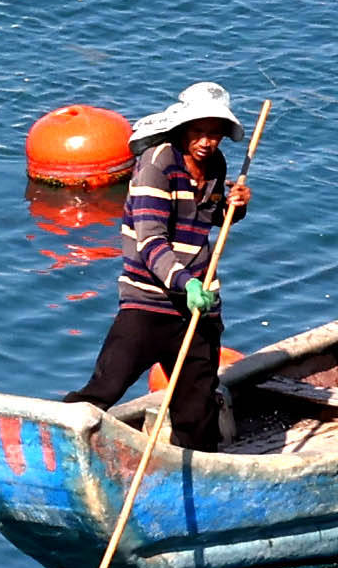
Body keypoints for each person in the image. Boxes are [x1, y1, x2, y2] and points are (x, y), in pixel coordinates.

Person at [77, 81, 243, 448]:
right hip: (149, 300)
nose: (206, 141)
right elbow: (151, 241)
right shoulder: (157, 165)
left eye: (214, 134)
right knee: (106, 387)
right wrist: (187, 283)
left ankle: (201, 479)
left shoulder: (215, 165)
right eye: (198, 132)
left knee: (197, 411)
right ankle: (54, 445)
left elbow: (208, 215)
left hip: (198, 307)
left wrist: (236, 207)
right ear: (183, 129)